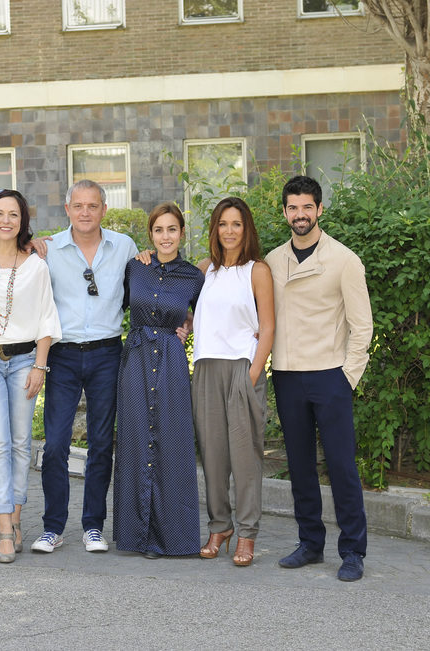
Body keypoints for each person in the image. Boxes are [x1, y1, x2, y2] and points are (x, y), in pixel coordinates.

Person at [264, 175, 373, 582]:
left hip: (330, 375)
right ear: (285, 212)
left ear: (320, 209)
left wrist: (348, 377)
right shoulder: (273, 261)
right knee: (300, 466)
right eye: (293, 207)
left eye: (307, 207)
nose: (300, 214)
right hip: (288, 374)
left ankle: (353, 551)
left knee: (342, 466)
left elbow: (362, 326)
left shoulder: (344, 260)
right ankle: (310, 543)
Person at [30, 180, 138, 554]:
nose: (85, 212)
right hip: (62, 355)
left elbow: (142, 291)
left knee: (101, 444)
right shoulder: (49, 250)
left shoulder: (124, 247)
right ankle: (53, 527)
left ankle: (93, 526)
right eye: (78, 206)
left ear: (104, 209)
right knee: (56, 444)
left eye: (93, 206)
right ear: (67, 210)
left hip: (107, 353)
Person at [0, 189, 61, 563]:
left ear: (23, 222)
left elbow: (46, 318)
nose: (6, 221)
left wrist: (40, 366)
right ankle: (4, 528)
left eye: (14, 215)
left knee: (21, 442)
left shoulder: (36, 265)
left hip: (25, 362)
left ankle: (17, 518)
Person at [112, 202, 204, 559]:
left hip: (171, 361)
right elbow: (112, 304)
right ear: (150, 235)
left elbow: (208, 314)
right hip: (136, 360)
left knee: (172, 443)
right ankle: (136, 536)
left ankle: (171, 538)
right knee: (136, 442)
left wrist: (189, 324)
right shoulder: (135, 267)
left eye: (172, 229)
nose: (166, 237)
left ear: (182, 233)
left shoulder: (194, 276)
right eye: (159, 230)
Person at [191, 196, 275, 567]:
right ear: (214, 228)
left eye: (236, 224)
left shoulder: (257, 270)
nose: (229, 231)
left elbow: (268, 327)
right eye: (223, 224)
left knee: (245, 459)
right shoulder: (203, 269)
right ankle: (219, 527)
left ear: (246, 229)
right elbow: (186, 311)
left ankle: (247, 534)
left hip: (243, 368)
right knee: (212, 458)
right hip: (206, 370)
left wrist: (253, 373)